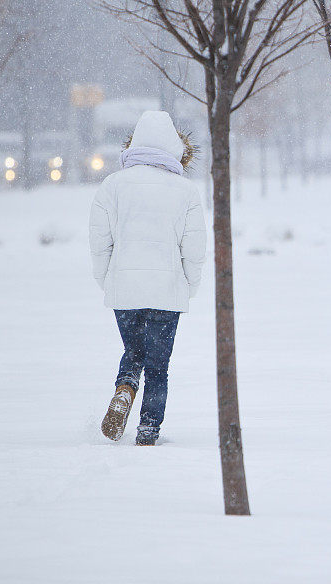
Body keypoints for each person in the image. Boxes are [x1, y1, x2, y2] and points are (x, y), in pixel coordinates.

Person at [89, 110, 206, 446]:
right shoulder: (184, 190)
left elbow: (100, 242)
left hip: (124, 288)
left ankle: (125, 386)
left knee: (135, 350)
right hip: (167, 291)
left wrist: (107, 280)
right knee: (158, 365)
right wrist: (188, 286)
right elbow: (194, 248)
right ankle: (148, 430)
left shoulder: (112, 186)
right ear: (174, 146)